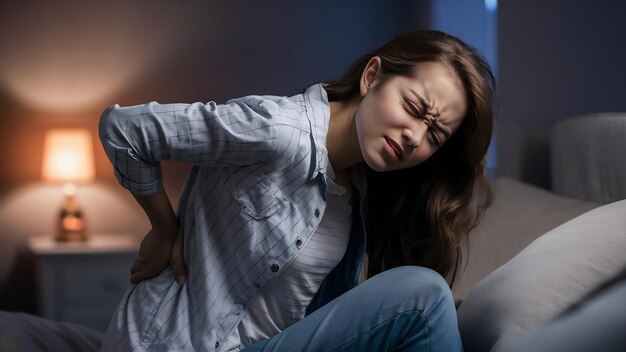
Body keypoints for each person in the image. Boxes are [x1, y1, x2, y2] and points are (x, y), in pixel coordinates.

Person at [98, 29, 495, 352]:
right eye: (413, 107)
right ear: (372, 76)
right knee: (424, 297)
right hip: (178, 345)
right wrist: (164, 229)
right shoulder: (279, 132)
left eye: (435, 135)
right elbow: (125, 131)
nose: (415, 136)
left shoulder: (358, 186)